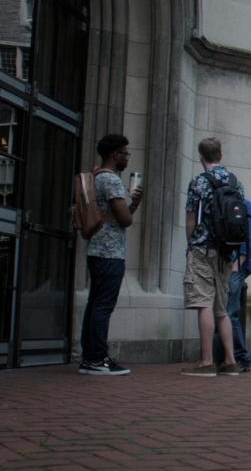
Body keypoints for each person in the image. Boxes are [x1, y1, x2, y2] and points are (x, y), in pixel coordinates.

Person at [78, 134, 143, 376]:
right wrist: (132, 205)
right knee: (103, 306)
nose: (127, 158)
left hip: (96, 250)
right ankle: (97, 359)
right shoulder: (112, 180)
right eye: (125, 153)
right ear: (115, 154)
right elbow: (124, 220)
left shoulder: (94, 177)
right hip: (110, 252)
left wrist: (132, 204)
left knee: (94, 304)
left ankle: (89, 358)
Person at [182, 137, 242, 377]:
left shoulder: (198, 183)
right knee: (222, 308)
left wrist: (190, 243)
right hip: (226, 251)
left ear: (200, 157)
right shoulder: (236, 182)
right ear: (221, 155)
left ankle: (206, 361)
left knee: (204, 303)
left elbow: (190, 219)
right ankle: (230, 360)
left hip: (202, 249)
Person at [213, 197, 251, 372]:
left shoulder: (244, 204)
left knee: (229, 312)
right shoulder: (218, 203)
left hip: (235, 266)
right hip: (220, 263)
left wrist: (239, 260)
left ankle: (240, 357)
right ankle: (223, 357)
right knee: (222, 310)